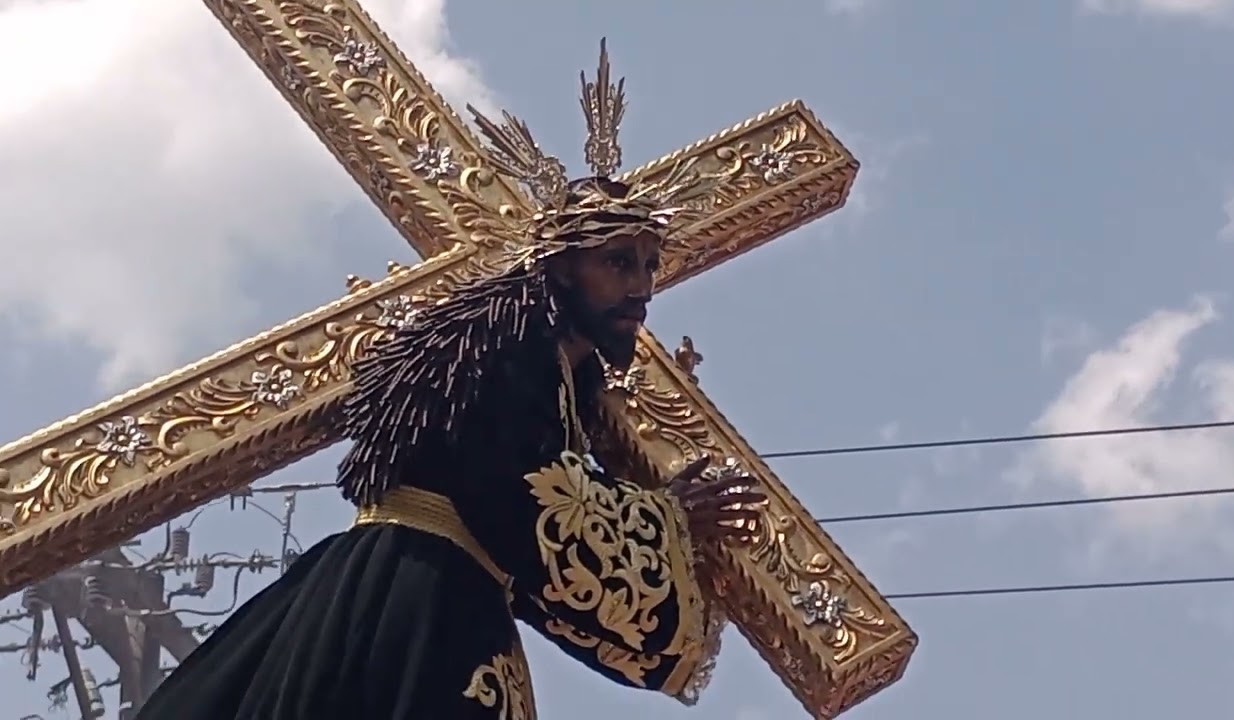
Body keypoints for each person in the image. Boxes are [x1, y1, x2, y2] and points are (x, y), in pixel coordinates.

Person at [137, 43, 765, 718]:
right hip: (417, 605)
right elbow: (531, 499)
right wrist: (664, 517)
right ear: (557, 269)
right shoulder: (506, 350)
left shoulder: (557, 379)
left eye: (648, 264)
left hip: (426, 588)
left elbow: (535, 557)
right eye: (617, 263)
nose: (641, 286)